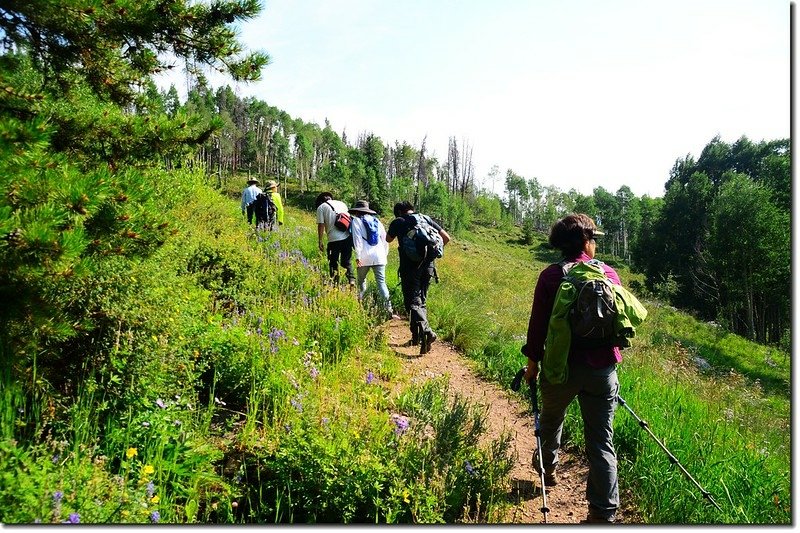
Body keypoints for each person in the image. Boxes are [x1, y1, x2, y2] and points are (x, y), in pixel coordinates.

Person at [522, 213, 621, 524]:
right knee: (601, 440)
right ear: (586, 242)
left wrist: (532, 363)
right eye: (593, 239)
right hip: (602, 369)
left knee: (551, 419)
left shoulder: (551, 277)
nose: (594, 245)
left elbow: (538, 326)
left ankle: (547, 468)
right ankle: (603, 513)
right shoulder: (608, 274)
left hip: (559, 367)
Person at [386, 201, 450, 355]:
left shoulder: (398, 221)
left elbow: (388, 239)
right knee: (421, 301)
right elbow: (446, 238)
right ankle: (416, 338)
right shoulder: (425, 218)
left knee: (413, 302)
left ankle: (426, 332)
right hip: (429, 266)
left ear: (399, 212)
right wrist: (431, 254)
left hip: (410, 267)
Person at [348, 200, 398, 319]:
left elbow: (357, 240)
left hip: (364, 256)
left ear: (357, 211)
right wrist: (384, 254)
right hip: (379, 256)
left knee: (361, 280)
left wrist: (358, 256)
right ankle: (388, 309)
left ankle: (362, 304)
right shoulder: (377, 221)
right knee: (381, 283)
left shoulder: (356, 221)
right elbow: (385, 239)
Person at [315, 192, 355, 285]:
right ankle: (351, 279)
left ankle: (335, 283)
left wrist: (320, 240)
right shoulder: (342, 204)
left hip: (334, 239)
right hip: (347, 237)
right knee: (346, 261)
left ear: (321, 201)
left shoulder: (321, 207)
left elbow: (321, 225)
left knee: (333, 262)